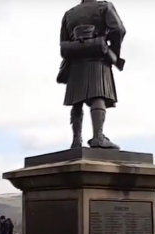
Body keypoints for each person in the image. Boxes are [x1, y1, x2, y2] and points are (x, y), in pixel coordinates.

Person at [58, 0, 126, 149]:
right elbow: (119, 30)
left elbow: (63, 41)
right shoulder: (104, 7)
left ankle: (76, 140)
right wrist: (113, 51)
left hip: (75, 59)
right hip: (97, 56)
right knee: (98, 95)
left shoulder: (70, 14)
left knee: (77, 100)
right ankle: (98, 137)